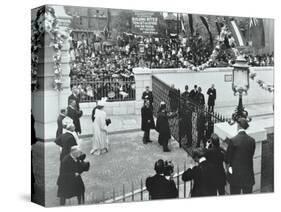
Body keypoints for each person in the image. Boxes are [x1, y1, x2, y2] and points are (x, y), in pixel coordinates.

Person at [225, 118, 256, 195]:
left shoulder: (233, 140)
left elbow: (227, 159)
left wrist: (228, 170)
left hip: (236, 177)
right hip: (248, 176)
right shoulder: (252, 140)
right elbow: (251, 155)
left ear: (238, 126)